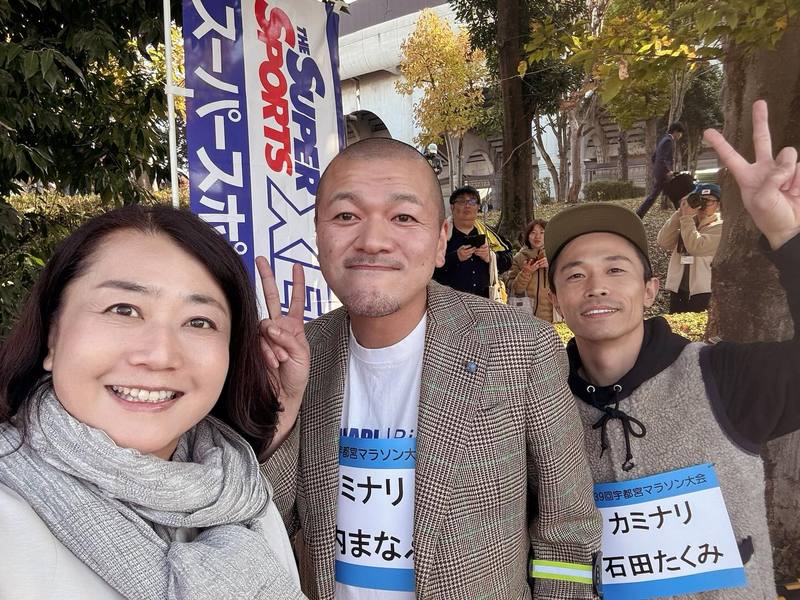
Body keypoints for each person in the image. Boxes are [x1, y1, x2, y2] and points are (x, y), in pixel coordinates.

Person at [260, 138, 601, 599]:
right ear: (318, 235)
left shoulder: (520, 347)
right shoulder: (303, 354)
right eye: (345, 216)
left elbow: (569, 529)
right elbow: (268, 525)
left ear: (441, 240)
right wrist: (280, 412)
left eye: (403, 217)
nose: (373, 241)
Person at [544, 100, 800, 598]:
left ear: (650, 290)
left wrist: (786, 235)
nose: (596, 286)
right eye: (574, 275)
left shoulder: (723, 379)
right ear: (555, 300)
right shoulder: (541, 406)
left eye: (615, 269)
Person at [0, 205, 305, 600]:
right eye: (123, 310)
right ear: (52, 335)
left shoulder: (245, 496)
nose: (160, 355)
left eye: (199, 321)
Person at [433, 185, 513, 299]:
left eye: (472, 201)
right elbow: (426, 267)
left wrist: (491, 257)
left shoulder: (488, 234)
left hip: (484, 301)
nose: (467, 206)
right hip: (448, 301)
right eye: (461, 201)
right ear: (452, 207)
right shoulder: (440, 236)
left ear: (478, 207)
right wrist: (455, 257)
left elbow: (508, 259)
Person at [657, 183, 723, 313]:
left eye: (708, 201)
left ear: (718, 205)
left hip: (703, 291)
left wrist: (686, 218)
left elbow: (696, 247)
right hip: (679, 287)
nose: (703, 204)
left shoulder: (720, 226)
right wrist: (680, 213)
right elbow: (663, 241)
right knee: (676, 324)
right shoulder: (686, 220)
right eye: (700, 199)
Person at [503, 219, 556, 322]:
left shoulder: (556, 255)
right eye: (533, 232)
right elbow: (514, 289)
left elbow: (566, 282)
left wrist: (552, 265)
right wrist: (525, 273)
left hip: (554, 316)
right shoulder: (519, 258)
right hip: (526, 315)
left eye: (542, 232)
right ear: (527, 236)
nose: (537, 237)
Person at [636, 122, 685, 218]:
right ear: (676, 132)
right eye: (680, 133)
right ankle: (638, 214)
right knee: (656, 196)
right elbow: (662, 158)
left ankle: (682, 215)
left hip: (661, 173)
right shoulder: (668, 141)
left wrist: (657, 169)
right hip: (664, 174)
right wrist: (667, 171)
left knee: (673, 195)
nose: (681, 136)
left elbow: (654, 157)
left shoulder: (664, 139)